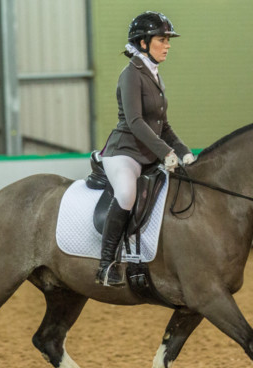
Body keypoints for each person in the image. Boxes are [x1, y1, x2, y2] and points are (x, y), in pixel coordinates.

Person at [96, 11, 195, 287]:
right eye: (162, 39)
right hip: (123, 152)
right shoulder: (131, 75)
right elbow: (136, 122)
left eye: (167, 39)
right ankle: (106, 265)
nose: (168, 44)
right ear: (143, 43)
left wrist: (183, 149)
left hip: (149, 154)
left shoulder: (154, 76)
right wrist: (165, 152)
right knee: (126, 194)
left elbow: (163, 124)